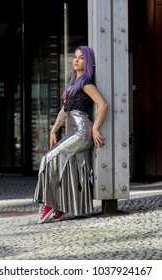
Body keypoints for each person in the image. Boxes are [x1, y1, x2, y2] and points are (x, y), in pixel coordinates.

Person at [33, 45, 108, 224]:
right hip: (74, 130)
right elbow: (64, 111)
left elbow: (103, 105)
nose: (76, 60)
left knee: (48, 158)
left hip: (83, 132)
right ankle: (61, 206)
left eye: (81, 58)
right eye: (75, 57)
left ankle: (49, 203)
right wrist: (53, 130)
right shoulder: (72, 84)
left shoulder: (86, 83)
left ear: (87, 61)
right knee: (68, 167)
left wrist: (95, 128)